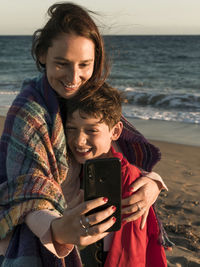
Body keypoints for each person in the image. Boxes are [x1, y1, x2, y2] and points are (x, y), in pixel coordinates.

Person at [0, 2, 171, 266]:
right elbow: (27, 192)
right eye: (61, 63)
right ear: (43, 55)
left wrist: (152, 183)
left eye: (84, 64)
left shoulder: (90, 99)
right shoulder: (30, 111)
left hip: (94, 229)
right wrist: (58, 230)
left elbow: (114, 152)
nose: (74, 77)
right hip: (50, 236)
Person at [63, 83, 168, 266]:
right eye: (71, 128)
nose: (79, 140)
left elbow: (132, 247)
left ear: (116, 131)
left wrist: (155, 182)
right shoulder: (67, 168)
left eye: (91, 130)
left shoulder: (130, 178)